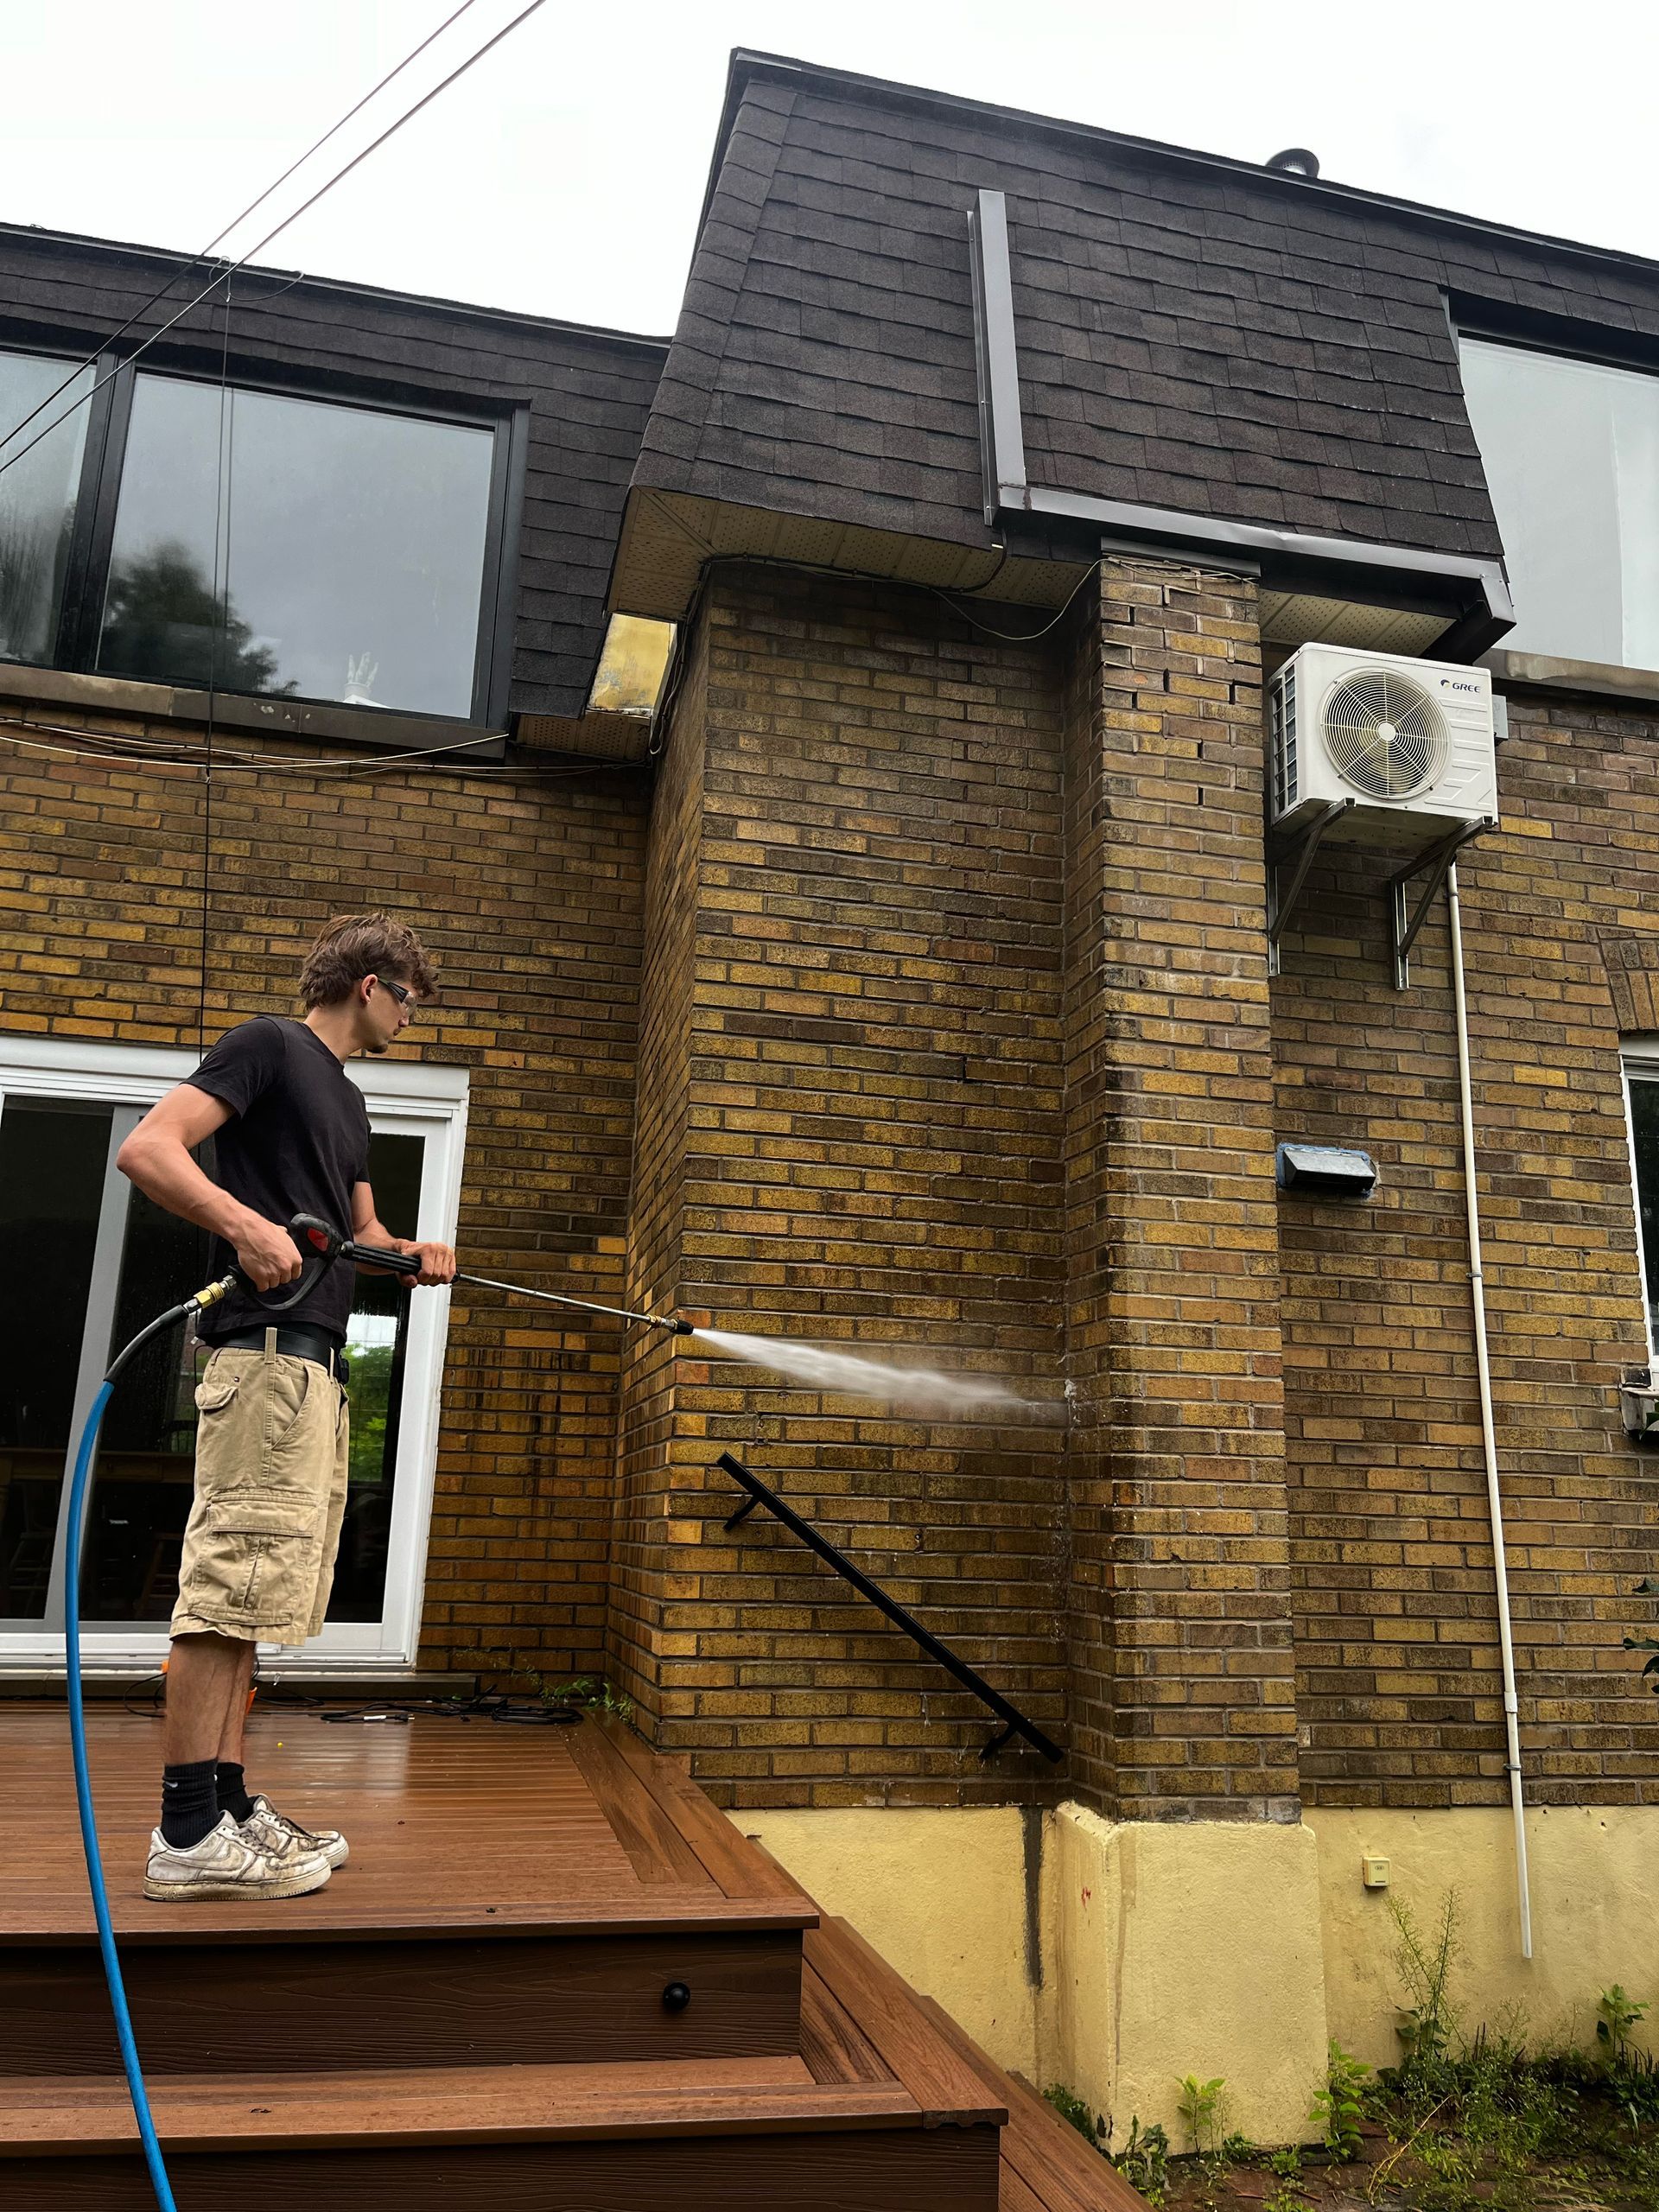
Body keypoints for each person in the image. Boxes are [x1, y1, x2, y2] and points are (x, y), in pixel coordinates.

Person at [115, 914, 456, 1902]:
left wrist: (415, 1254)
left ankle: (224, 1800)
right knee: (225, 1589)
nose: (411, 1016)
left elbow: (365, 1231)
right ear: (370, 985)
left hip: (312, 1369)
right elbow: (150, 1149)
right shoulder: (269, 1046)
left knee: (256, 1590)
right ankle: (185, 1832)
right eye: (410, 998)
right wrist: (244, 1225)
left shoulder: (346, 1100)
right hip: (260, 1358)